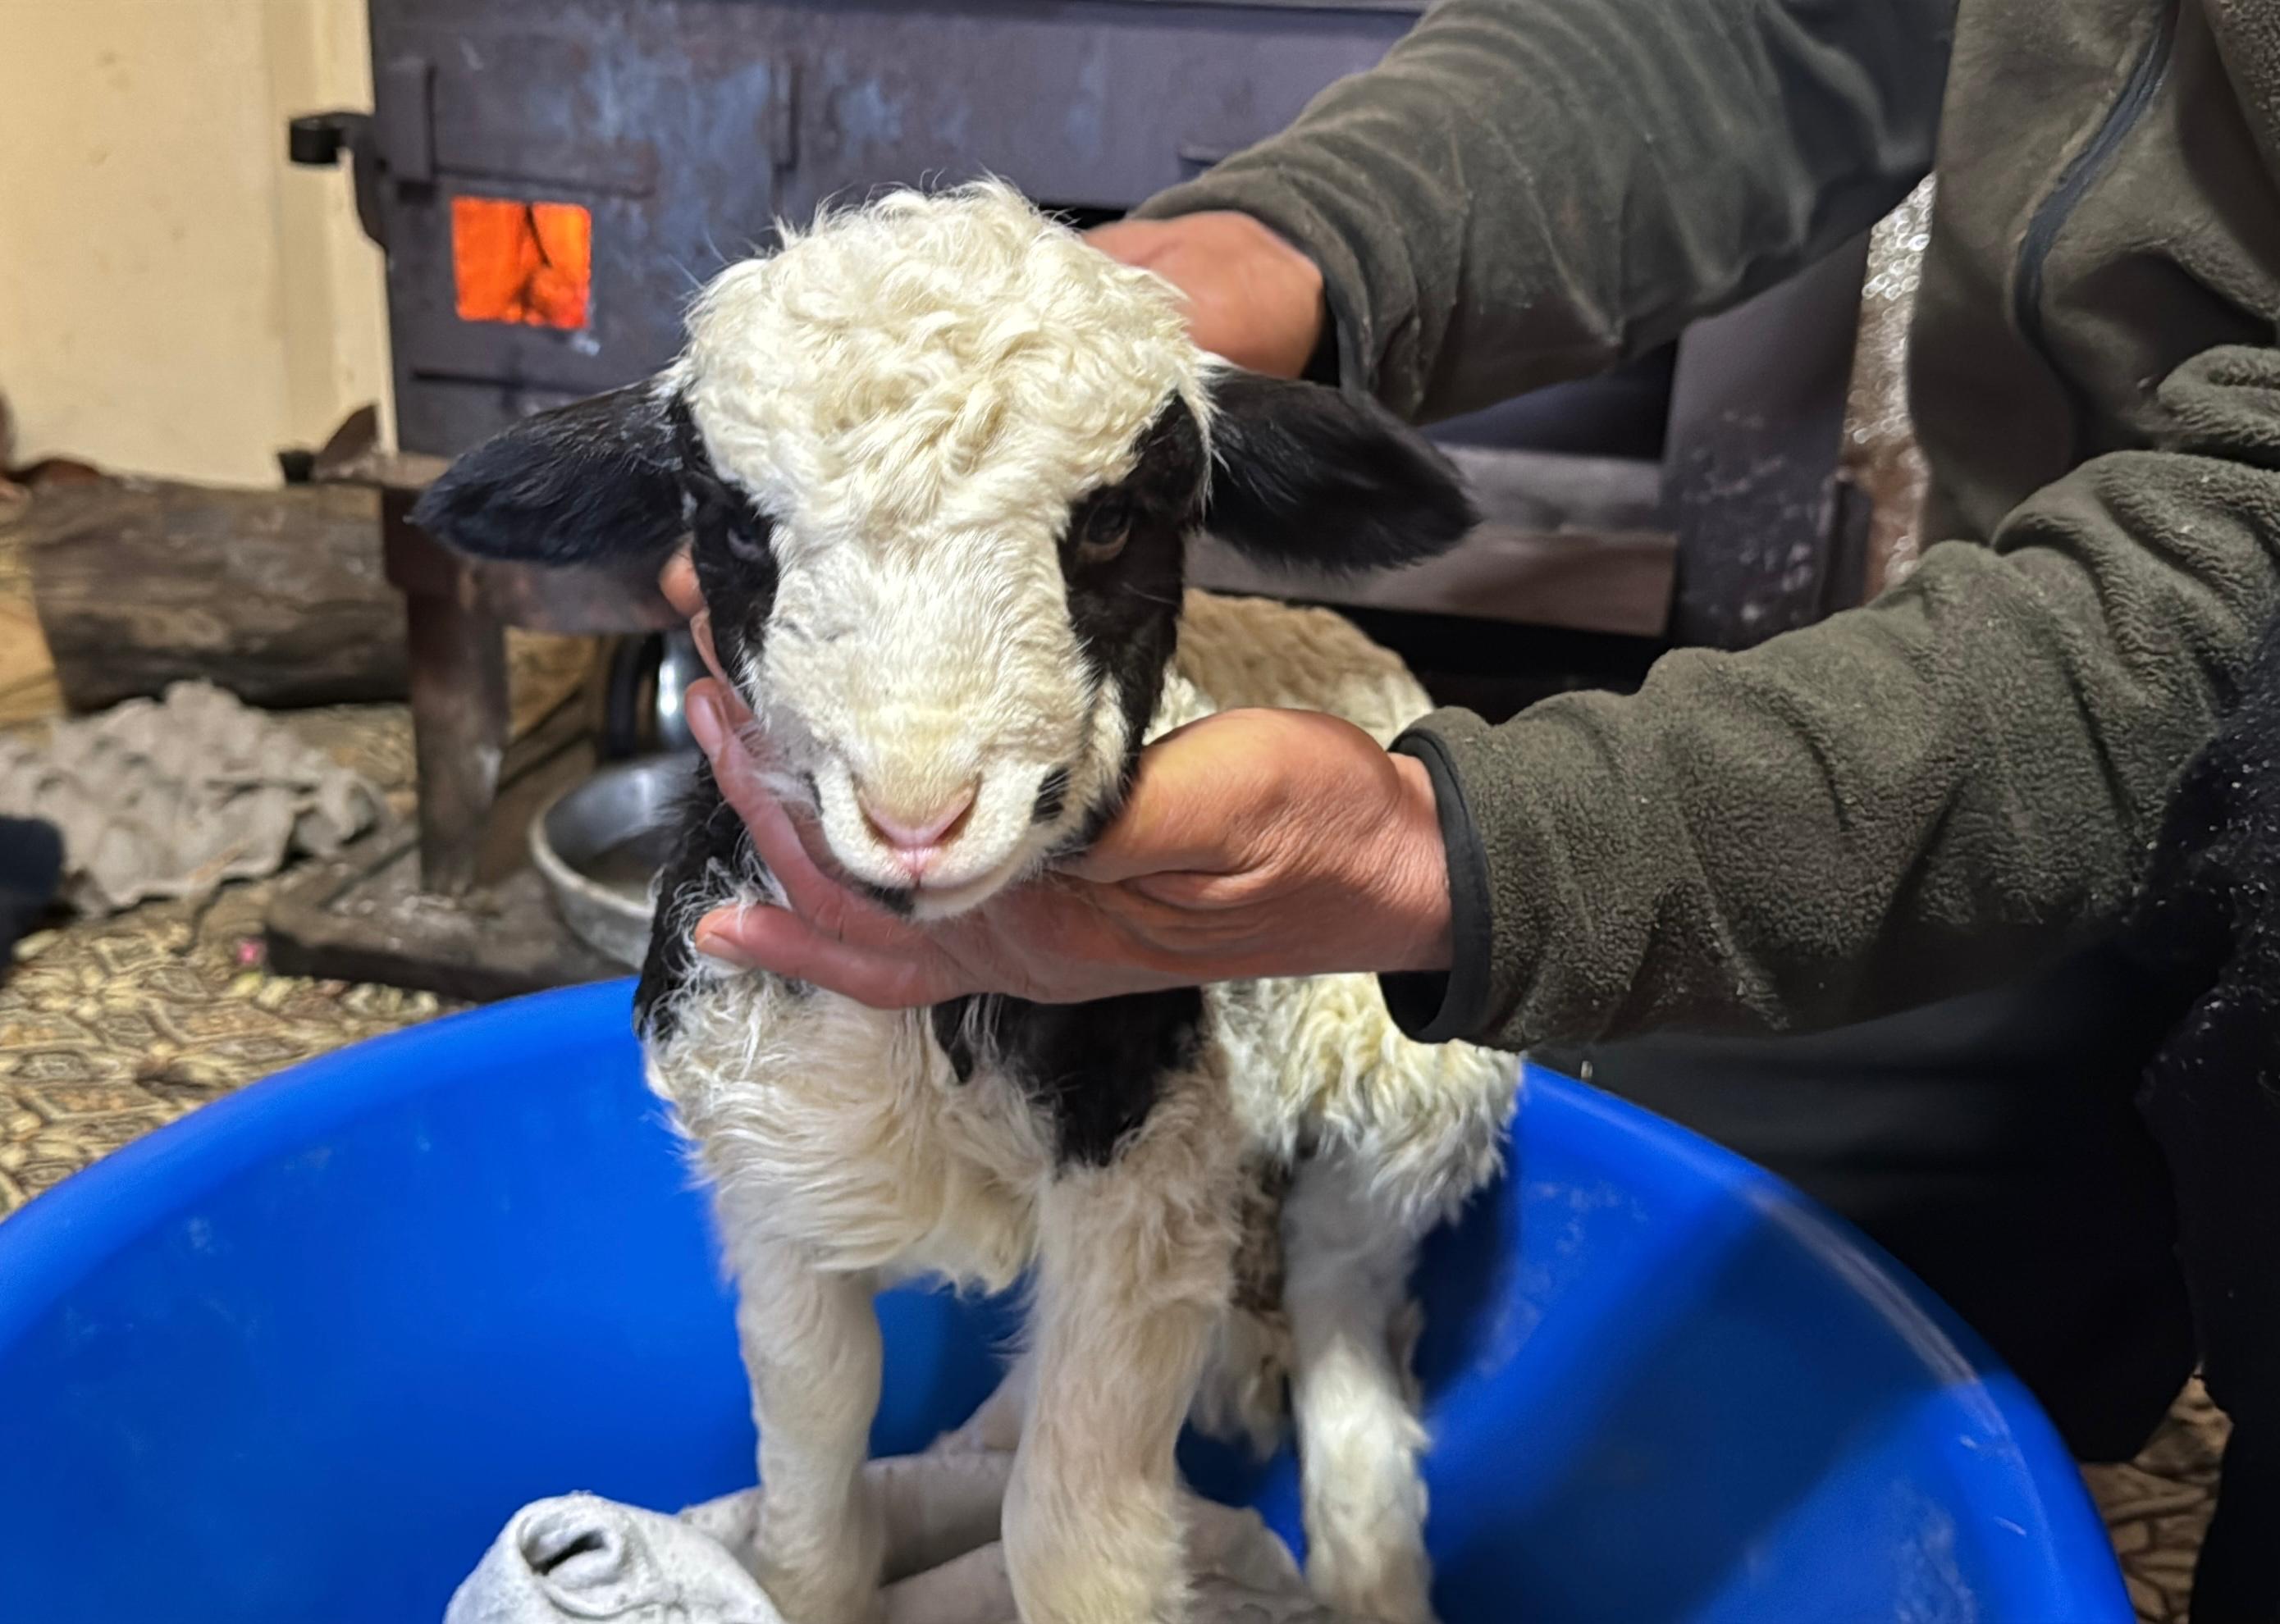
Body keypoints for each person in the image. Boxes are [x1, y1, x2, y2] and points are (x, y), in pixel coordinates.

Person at [661, 0, 2280, 1613]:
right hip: (2054, 617)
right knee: (1641, 1155)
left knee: (1469, 1141)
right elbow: (1791, 29)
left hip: (2235, 705)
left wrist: (1464, 850)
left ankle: (1351, 1427)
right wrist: (1293, 240)